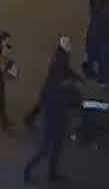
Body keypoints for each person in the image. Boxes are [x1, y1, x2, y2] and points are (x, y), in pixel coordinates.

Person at [22, 51, 79, 183]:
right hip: (54, 122)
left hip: (54, 121)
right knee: (46, 149)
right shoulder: (60, 87)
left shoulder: (54, 83)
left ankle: (49, 174)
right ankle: (30, 172)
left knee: (52, 149)